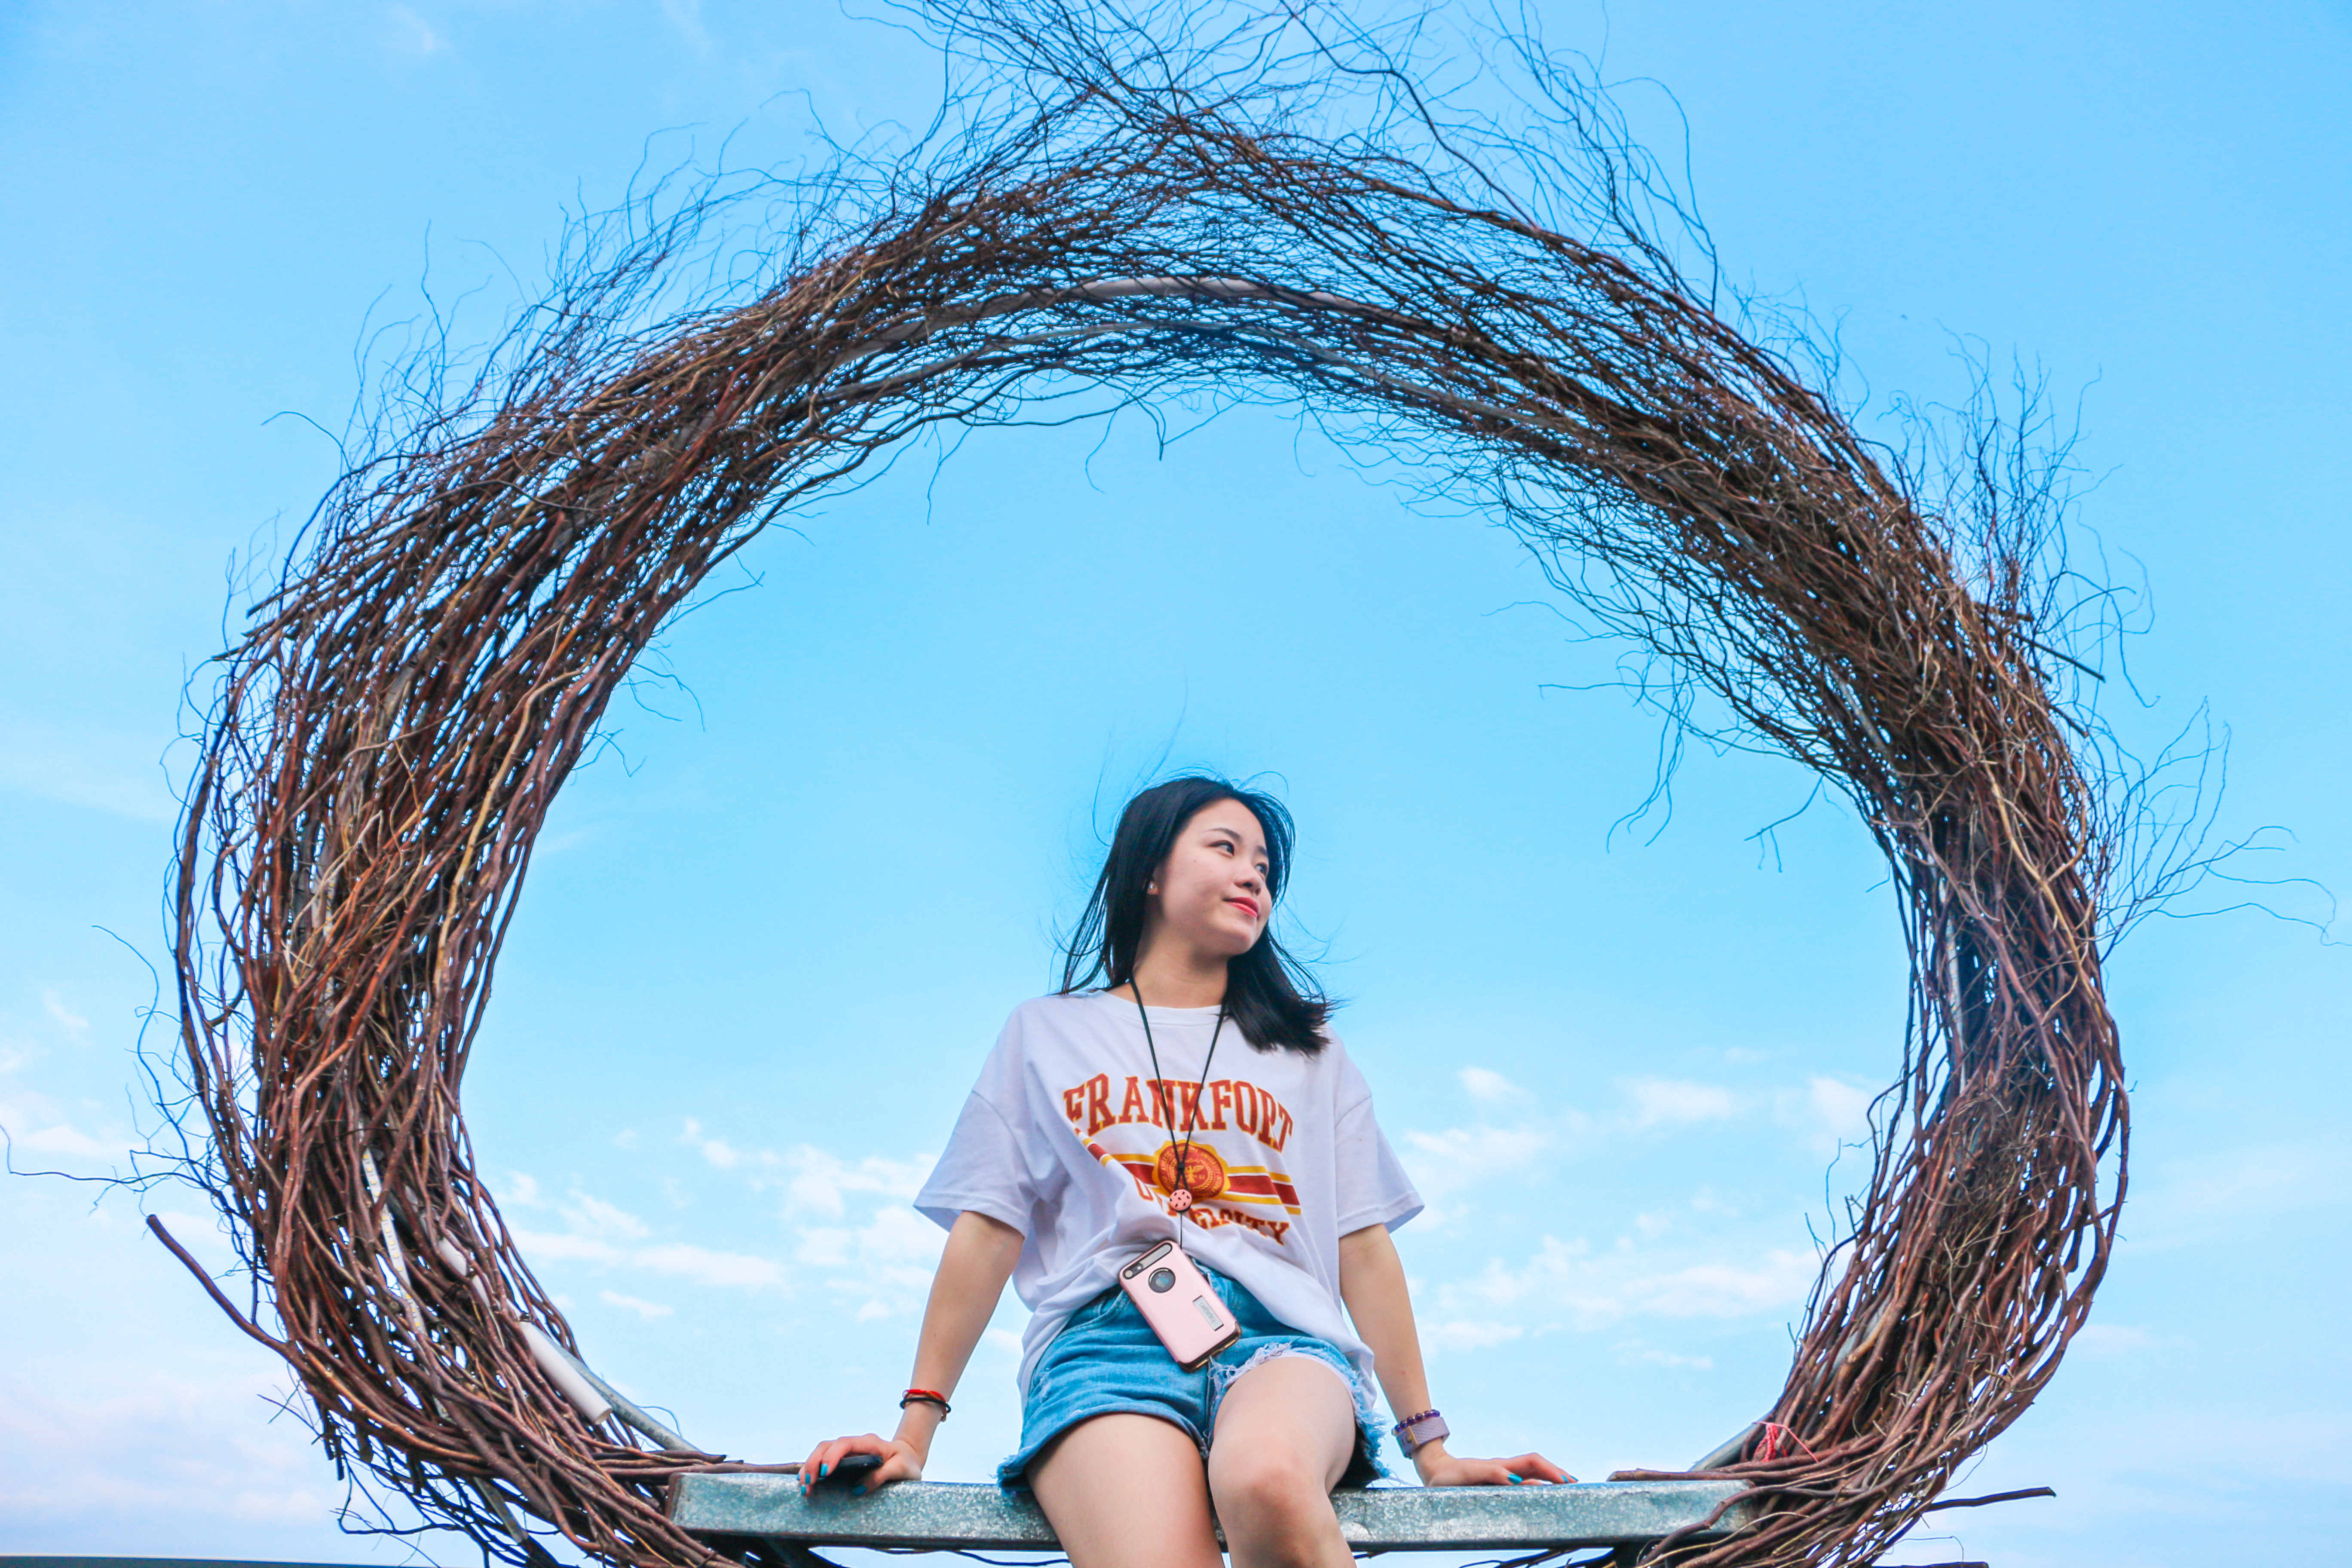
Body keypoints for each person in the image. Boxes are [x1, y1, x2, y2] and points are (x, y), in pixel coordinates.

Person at [799, 776, 1567, 1568]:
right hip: (1103, 1348)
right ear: (1150, 872)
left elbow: (1362, 1247)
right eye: (1225, 849)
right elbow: (988, 1230)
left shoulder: (1311, 1052)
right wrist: (914, 1433)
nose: (1252, 877)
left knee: (1268, 1481)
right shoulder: (1045, 1033)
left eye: (1264, 867)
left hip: (1284, 1341)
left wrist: (1430, 1450)